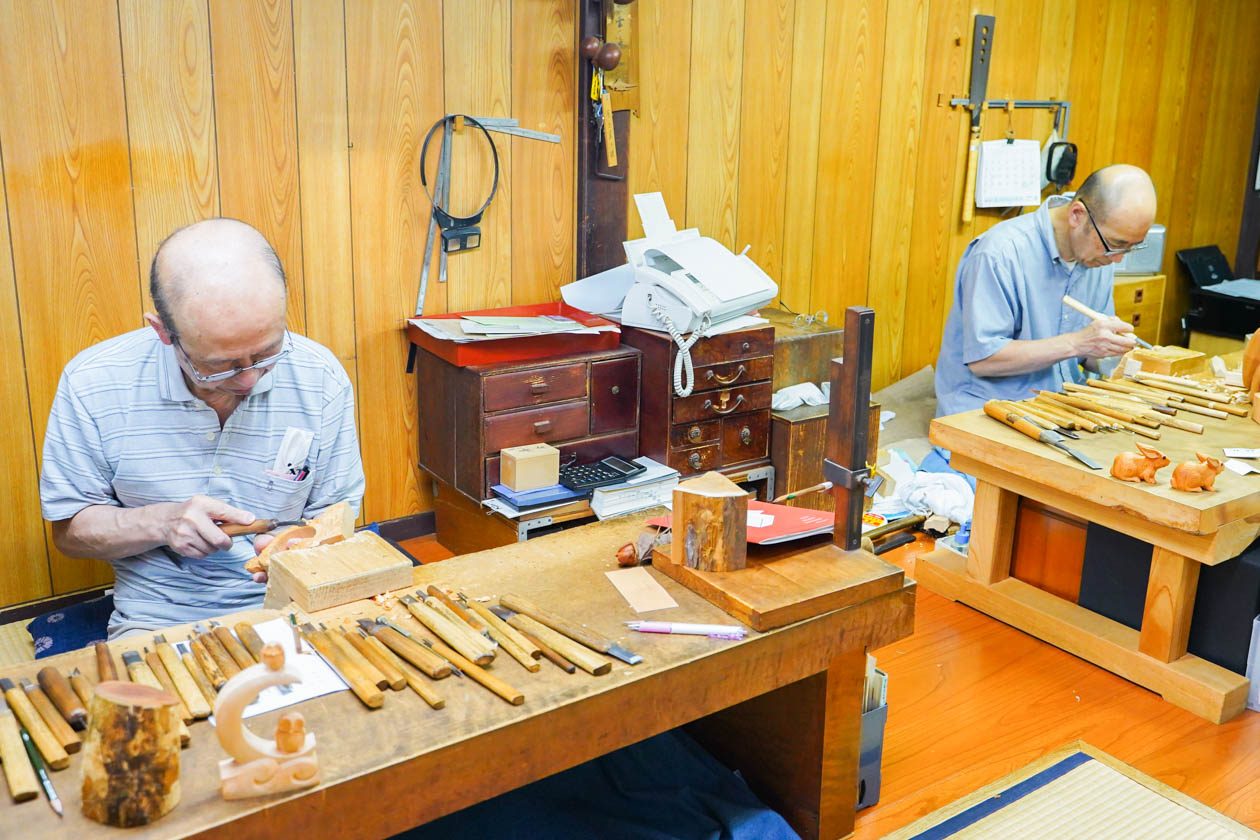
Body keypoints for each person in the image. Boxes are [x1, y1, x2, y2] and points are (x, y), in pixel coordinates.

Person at [40, 218, 365, 638]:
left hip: (298, 602)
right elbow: (69, 533)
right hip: (159, 616)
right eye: (218, 365)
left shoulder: (320, 376)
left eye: (266, 353)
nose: (249, 379)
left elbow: (337, 512)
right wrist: (162, 523)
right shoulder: (93, 382)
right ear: (162, 331)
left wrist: (295, 550)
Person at [934, 164, 1157, 420]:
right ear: (1077, 215)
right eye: (1116, 244)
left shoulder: (1099, 257)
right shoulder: (999, 254)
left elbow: (1089, 355)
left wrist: (1119, 355)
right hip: (987, 410)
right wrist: (1077, 343)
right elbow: (984, 360)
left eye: (1131, 248)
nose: (1117, 259)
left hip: (1060, 407)